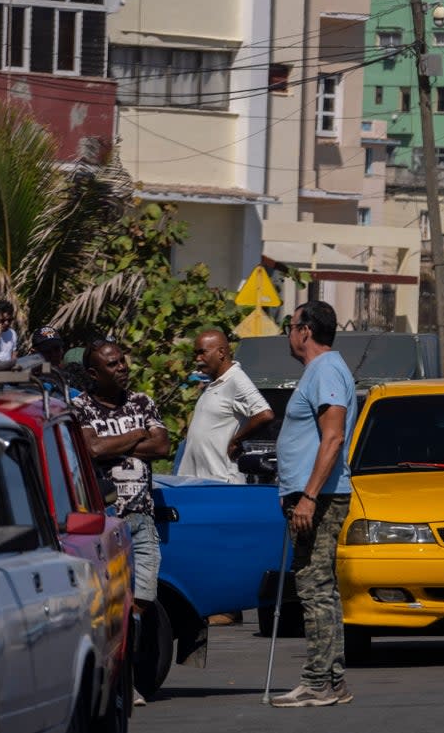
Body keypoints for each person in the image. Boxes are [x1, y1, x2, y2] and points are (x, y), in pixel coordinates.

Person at [271, 301, 358, 708]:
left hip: (319, 497)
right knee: (323, 589)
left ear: (305, 331)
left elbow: (334, 436)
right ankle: (333, 680)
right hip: (314, 495)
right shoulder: (322, 371)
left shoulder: (325, 370)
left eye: (290, 326)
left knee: (314, 589)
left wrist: (307, 497)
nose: (288, 334)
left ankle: (318, 682)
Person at [72, 340, 169, 707]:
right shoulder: (79, 406)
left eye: (122, 361)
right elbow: (91, 450)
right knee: (108, 605)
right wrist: (136, 436)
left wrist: (116, 444)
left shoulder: (141, 401)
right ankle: (119, 682)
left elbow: (161, 446)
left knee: (143, 598)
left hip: (142, 517)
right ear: (94, 374)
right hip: (105, 521)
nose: (122, 367)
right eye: (112, 365)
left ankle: (123, 674)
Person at [176, 329, 274, 484]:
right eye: (196, 354)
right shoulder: (214, 383)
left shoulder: (236, 379)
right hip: (198, 481)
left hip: (220, 481)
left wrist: (236, 441)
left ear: (221, 352)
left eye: (202, 353)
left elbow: (265, 414)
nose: (198, 359)